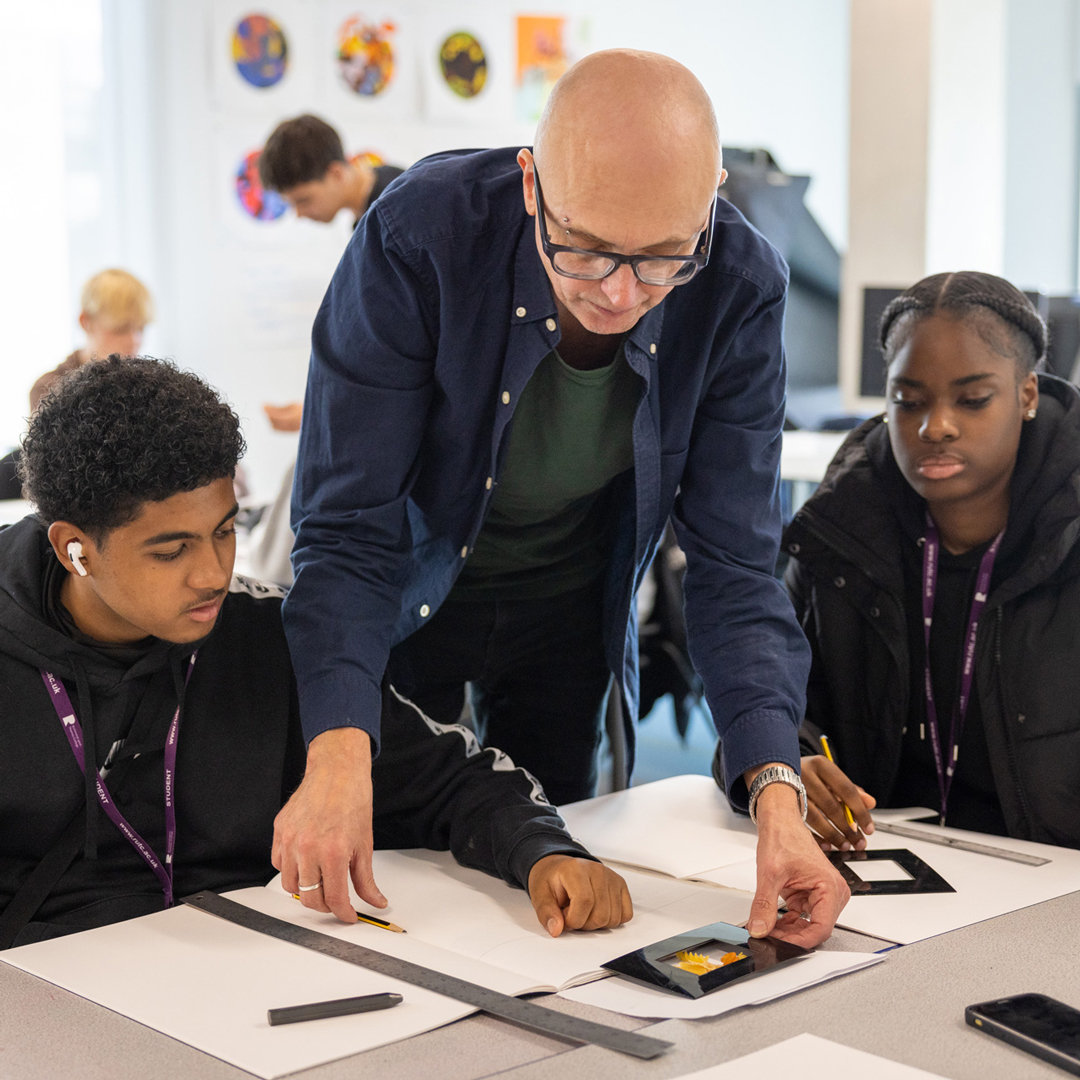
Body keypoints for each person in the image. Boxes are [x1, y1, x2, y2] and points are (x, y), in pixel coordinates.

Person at [279, 49, 847, 946]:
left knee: (559, 866)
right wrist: (338, 743)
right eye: (581, 249)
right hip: (410, 591)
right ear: (530, 182)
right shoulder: (419, 236)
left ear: (712, 198)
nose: (619, 294)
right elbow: (348, 528)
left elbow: (736, 566)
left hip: (572, 598)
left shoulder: (740, 284)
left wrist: (775, 797)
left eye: (665, 258)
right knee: (395, 862)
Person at [0, 356, 631, 950]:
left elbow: (449, 777)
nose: (212, 574)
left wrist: (544, 851)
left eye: (224, 532)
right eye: (170, 552)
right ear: (73, 549)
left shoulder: (269, 635)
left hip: (239, 965)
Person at [784, 271, 1080, 850]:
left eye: (972, 400)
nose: (935, 426)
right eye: (909, 401)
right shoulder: (840, 528)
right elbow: (769, 693)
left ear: (1026, 394)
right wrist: (776, 760)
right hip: (881, 865)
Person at [29, 268, 153, 411]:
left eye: (141, 328)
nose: (134, 340)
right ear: (85, 321)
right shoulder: (49, 389)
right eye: (120, 329)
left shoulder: (149, 388)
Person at [258, 114, 404, 229]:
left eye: (303, 200)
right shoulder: (367, 215)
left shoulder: (397, 208)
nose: (299, 214)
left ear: (336, 173)